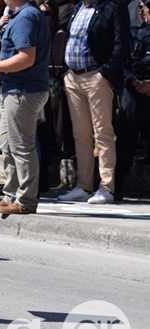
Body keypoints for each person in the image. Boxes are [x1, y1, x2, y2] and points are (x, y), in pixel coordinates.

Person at [0, 0, 51, 214]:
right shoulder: (20, 15)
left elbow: (26, 58)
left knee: (21, 146)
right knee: (8, 145)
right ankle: (11, 194)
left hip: (24, 91)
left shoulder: (27, 16)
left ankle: (26, 201)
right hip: (14, 89)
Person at [56, 0, 129, 204]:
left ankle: (107, 187)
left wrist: (105, 73)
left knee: (103, 133)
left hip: (96, 76)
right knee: (80, 134)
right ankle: (83, 185)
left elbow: (121, 44)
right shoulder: (78, 8)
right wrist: (65, 72)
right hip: (73, 77)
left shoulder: (112, 8)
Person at [115, 0, 150, 200]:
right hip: (133, 90)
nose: (144, 11)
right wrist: (134, 81)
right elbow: (122, 59)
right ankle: (116, 186)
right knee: (126, 139)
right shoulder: (133, 29)